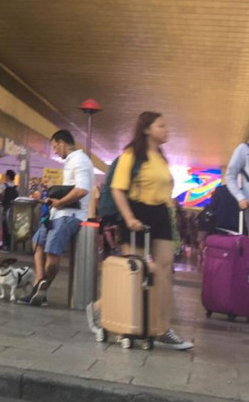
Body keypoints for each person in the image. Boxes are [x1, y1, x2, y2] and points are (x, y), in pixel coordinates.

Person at [85, 112, 193, 350]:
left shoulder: (161, 158)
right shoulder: (132, 155)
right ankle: (100, 308)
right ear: (146, 129)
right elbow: (117, 189)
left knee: (164, 271)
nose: (166, 130)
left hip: (161, 214)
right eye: (161, 126)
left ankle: (163, 327)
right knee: (135, 271)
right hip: (136, 212)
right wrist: (129, 217)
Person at [21, 130, 94, 305]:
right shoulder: (72, 161)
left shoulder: (79, 160)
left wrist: (60, 202)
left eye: (54, 146)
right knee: (37, 243)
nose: (54, 151)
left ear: (62, 142)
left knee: (52, 255)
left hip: (68, 215)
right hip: (56, 214)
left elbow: (82, 190)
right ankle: (40, 284)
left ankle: (41, 288)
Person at [0, 169, 19, 250]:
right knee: (12, 226)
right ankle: (12, 243)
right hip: (14, 208)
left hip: (5, 207)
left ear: (7, 176)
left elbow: (1, 196)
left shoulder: (3, 186)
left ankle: (5, 244)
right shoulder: (16, 187)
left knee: (5, 225)